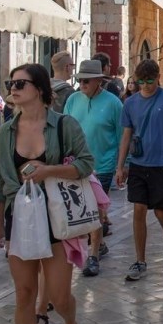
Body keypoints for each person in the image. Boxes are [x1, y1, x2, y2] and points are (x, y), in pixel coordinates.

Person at [0, 64, 93, 324]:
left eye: (20, 83)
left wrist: (50, 170)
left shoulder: (64, 125)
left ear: (40, 88)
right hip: (19, 217)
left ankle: (71, 323)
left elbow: (86, 164)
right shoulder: (6, 131)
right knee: (24, 294)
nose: (14, 88)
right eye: (11, 83)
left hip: (57, 217)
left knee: (60, 297)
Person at [116, 59, 163, 281]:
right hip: (138, 164)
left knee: (160, 212)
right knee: (138, 210)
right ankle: (140, 260)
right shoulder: (130, 103)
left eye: (149, 81)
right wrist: (120, 166)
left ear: (158, 78)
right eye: (141, 81)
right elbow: (126, 135)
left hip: (161, 165)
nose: (145, 85)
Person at [64, 59, 123, 277]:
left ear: (99, 81)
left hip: (104, 165)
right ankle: (98, 245)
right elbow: (66, 130)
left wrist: (121, 166)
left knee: (94, 211)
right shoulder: (72, 100)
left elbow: (121, 136)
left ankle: (93, 255)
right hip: (77, 165)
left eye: (86, 81)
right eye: (80, 81)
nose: (82, 85)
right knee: (85, 211)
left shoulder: (114, 103)